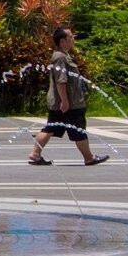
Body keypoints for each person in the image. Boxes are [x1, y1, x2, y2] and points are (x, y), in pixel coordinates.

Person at [29, 27, 108, 167]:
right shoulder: (60, 58)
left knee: (51, 127)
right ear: (62, 41)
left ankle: (35, 154)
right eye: (71, 37)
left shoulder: (63, 56)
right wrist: (65, 101)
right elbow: (61, 80)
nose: (73, 39)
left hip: (63, 102)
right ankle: (89, 158)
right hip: (68, 103)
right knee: (78, 130)